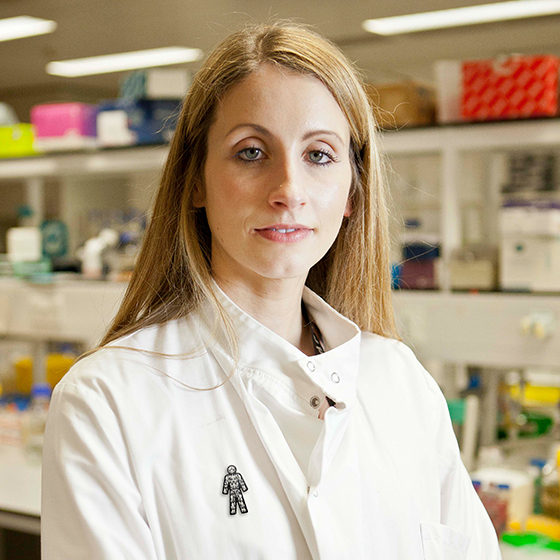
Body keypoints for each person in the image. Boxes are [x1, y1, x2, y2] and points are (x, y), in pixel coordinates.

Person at [41, 22, 502, 560]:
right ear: (195, 181)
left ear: (352, 191)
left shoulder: (401, 383)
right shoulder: (107, 402)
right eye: (252, 152)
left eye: (320, 155)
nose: (288, 190)